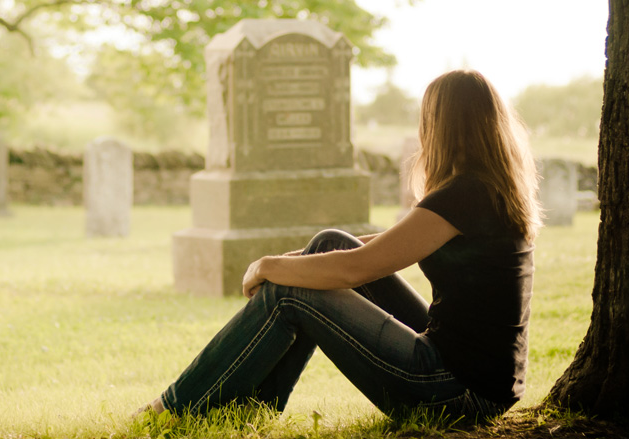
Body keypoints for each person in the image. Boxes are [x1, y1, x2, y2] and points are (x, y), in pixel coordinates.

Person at [137, 69, 542, 423]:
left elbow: (358, 268)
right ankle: (252, 407)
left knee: (289, 293)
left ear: (440, 124)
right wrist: (296, 260)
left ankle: (175, 406)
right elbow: (385, 246)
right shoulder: (487, 189)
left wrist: (266, 266)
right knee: (328, 244)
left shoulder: (464, 194)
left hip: (454, 391)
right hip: (470, 379)